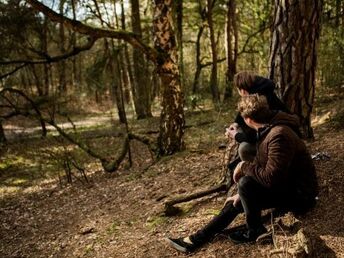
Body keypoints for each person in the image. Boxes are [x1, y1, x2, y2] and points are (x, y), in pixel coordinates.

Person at [166, 95, 318, 253]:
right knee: (239, 197)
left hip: (301, 196)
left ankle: (254, 231)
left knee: (245, 184)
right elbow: (265, 168)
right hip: (286, 184)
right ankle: (196, 239)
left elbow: (271, 178)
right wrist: (242, 194)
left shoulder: (279, 135)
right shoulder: (268, 129)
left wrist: (243, 166)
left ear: (248, 119)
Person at [226, 71, 290, 166]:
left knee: (244, 149)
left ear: (243, 91)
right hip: (284, 133)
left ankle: (259, 171)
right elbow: (245, 111)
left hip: (281, 141)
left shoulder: (258, 104)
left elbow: (253, 137)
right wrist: (236, 123)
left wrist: (235, 135)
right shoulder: (262, 93)